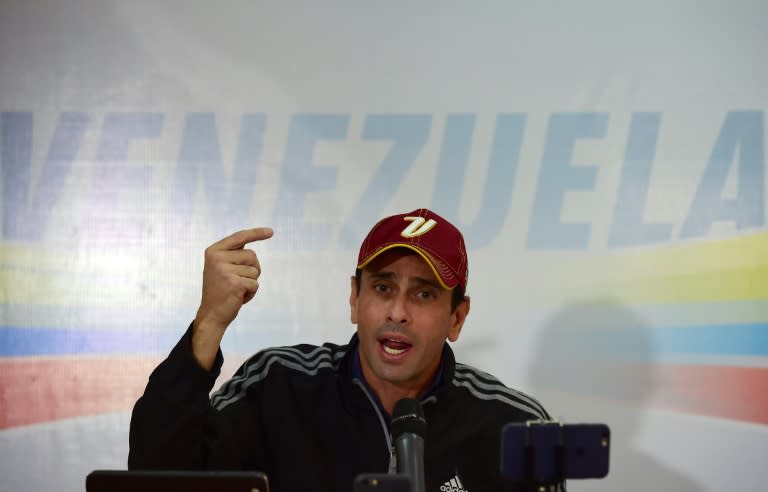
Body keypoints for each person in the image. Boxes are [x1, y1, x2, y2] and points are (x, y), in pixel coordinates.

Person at [129, 208, 559, 491]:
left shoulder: (514, 427)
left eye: (424, 295)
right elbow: (156, 478)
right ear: (355, 299)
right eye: (382, 287)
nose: (397, 312)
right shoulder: (278, 385)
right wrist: (210, 323)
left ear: (457, 318)